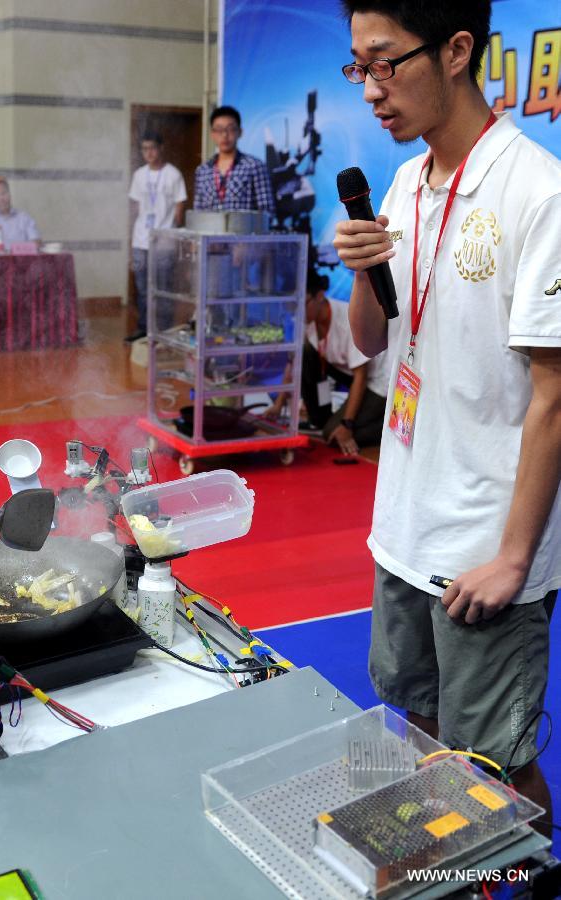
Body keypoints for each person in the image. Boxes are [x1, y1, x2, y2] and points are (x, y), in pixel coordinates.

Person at [334, 0, 560, 827]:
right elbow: (372, 342)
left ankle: (528, 875)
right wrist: (363, 270)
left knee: (494, 765)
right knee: (422, 731)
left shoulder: (537, 192)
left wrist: (512, 560)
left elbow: (554, 396)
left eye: (384, 62)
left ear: (455, 50)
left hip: (484, 548)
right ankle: (446, 872)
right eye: (358, 67)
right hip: (403, 523)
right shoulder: (402, 183)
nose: (369, 88)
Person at [268, 271, 389, 453]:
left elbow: (361, 377)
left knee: (332, 435)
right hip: (346, 372)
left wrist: (347, 424)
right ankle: (321, 418)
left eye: (302, 305)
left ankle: (387, 426)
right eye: (293, 307)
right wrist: (278, 405)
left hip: (377, 381)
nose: (298, 313)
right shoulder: (307, 321)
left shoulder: (345, 320)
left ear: (319, 296)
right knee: (305, 352)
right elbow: (293, 364)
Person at [125, 132, 187, 342]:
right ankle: (144, 328)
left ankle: (163, 331)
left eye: (152, 148)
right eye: (144, 149)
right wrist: (132, 234)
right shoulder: (139, 175)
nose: (149, 153)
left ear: (161, 148)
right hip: (141, 239)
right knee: (143, 288)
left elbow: (180, 206)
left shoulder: (173, 174)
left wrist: (173, 234)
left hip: (164, 240)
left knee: (163, 288)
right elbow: (135, 206)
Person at [194, 106, 275, 213]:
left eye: (230, 129)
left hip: (244, 225)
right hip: (210, 225)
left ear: (240, 132)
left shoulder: (254, 166)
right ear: (212, 134)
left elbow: (267, 211)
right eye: (219, 130)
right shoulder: (203, 171)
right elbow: (198, 212)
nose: (224, 135)